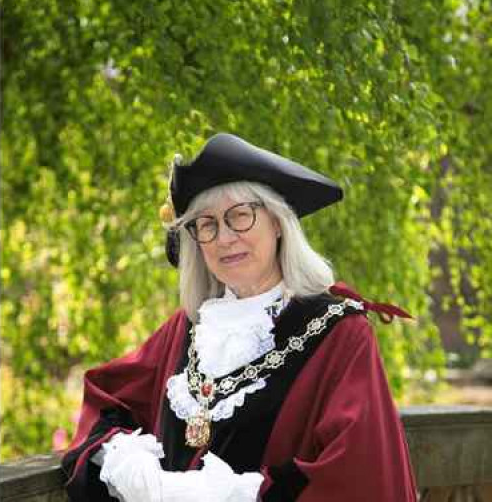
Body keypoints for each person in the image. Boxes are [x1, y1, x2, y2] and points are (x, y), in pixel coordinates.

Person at [61, 134, 417, 501]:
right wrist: (130, 461)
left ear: (278, 222)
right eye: (207, 224)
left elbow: (358, 471)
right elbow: (107, 401)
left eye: (240, 216)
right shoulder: (188, 328)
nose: (224, 238)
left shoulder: (339, 333)